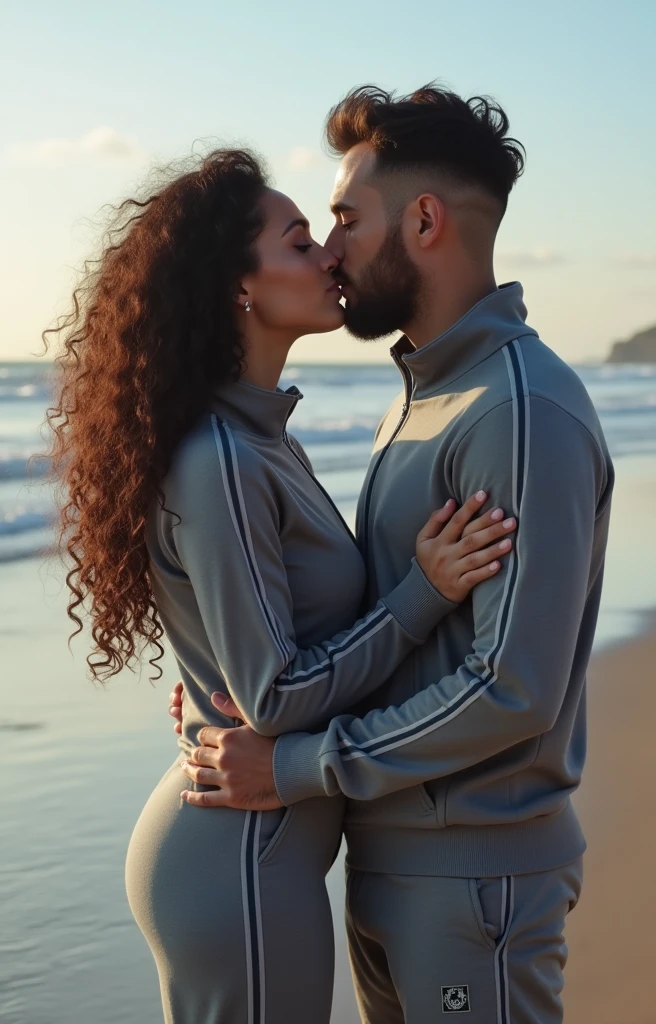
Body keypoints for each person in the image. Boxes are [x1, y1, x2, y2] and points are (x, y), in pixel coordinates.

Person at [44, 146, 517, 1024]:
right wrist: (423, 590)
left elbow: (254, 662)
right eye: (302, 242)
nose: (330, 258)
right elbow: (276, 695)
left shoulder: (264, 442)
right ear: (238, 287)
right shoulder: (223, 458)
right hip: (239, 863)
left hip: (254, 854)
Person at [173, 86, 615, 1024]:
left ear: (423, 220)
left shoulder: (517, 410)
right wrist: (226, 679)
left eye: (343, 218)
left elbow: (511, 686)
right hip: (390, 862)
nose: (330, 248)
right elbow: (371, 618)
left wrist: (295, 765)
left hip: (474, 881)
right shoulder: (422, 398)